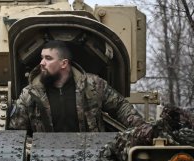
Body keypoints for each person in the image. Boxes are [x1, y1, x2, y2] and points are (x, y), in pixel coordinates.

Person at [9, 40, 146, 133]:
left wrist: (142, 128)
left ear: (64, 63)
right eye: (42, 57)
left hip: (90, 156)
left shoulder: (93, 85)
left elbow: (120, 107)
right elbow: (16, 132)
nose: (42, 63)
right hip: (45, 158)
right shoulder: (29, 94)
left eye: (48, 58)